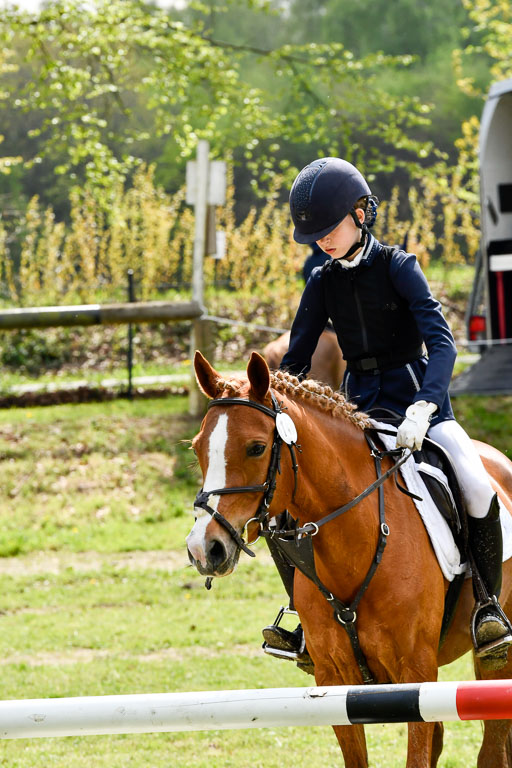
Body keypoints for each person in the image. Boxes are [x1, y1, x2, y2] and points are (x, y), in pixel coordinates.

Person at [262, 156, 512, 670]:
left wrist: (427, 403)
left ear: (360, 212)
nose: (322, 242)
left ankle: (487, 607)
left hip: (421, 402)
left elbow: (442, 343)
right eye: (314, 236)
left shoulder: (400, 267)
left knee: (477, 483)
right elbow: (293, 363)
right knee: (284, 508)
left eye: (329, 230)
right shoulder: (322, 283)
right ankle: (303, 620)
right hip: (359, 414)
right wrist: (281, 406)